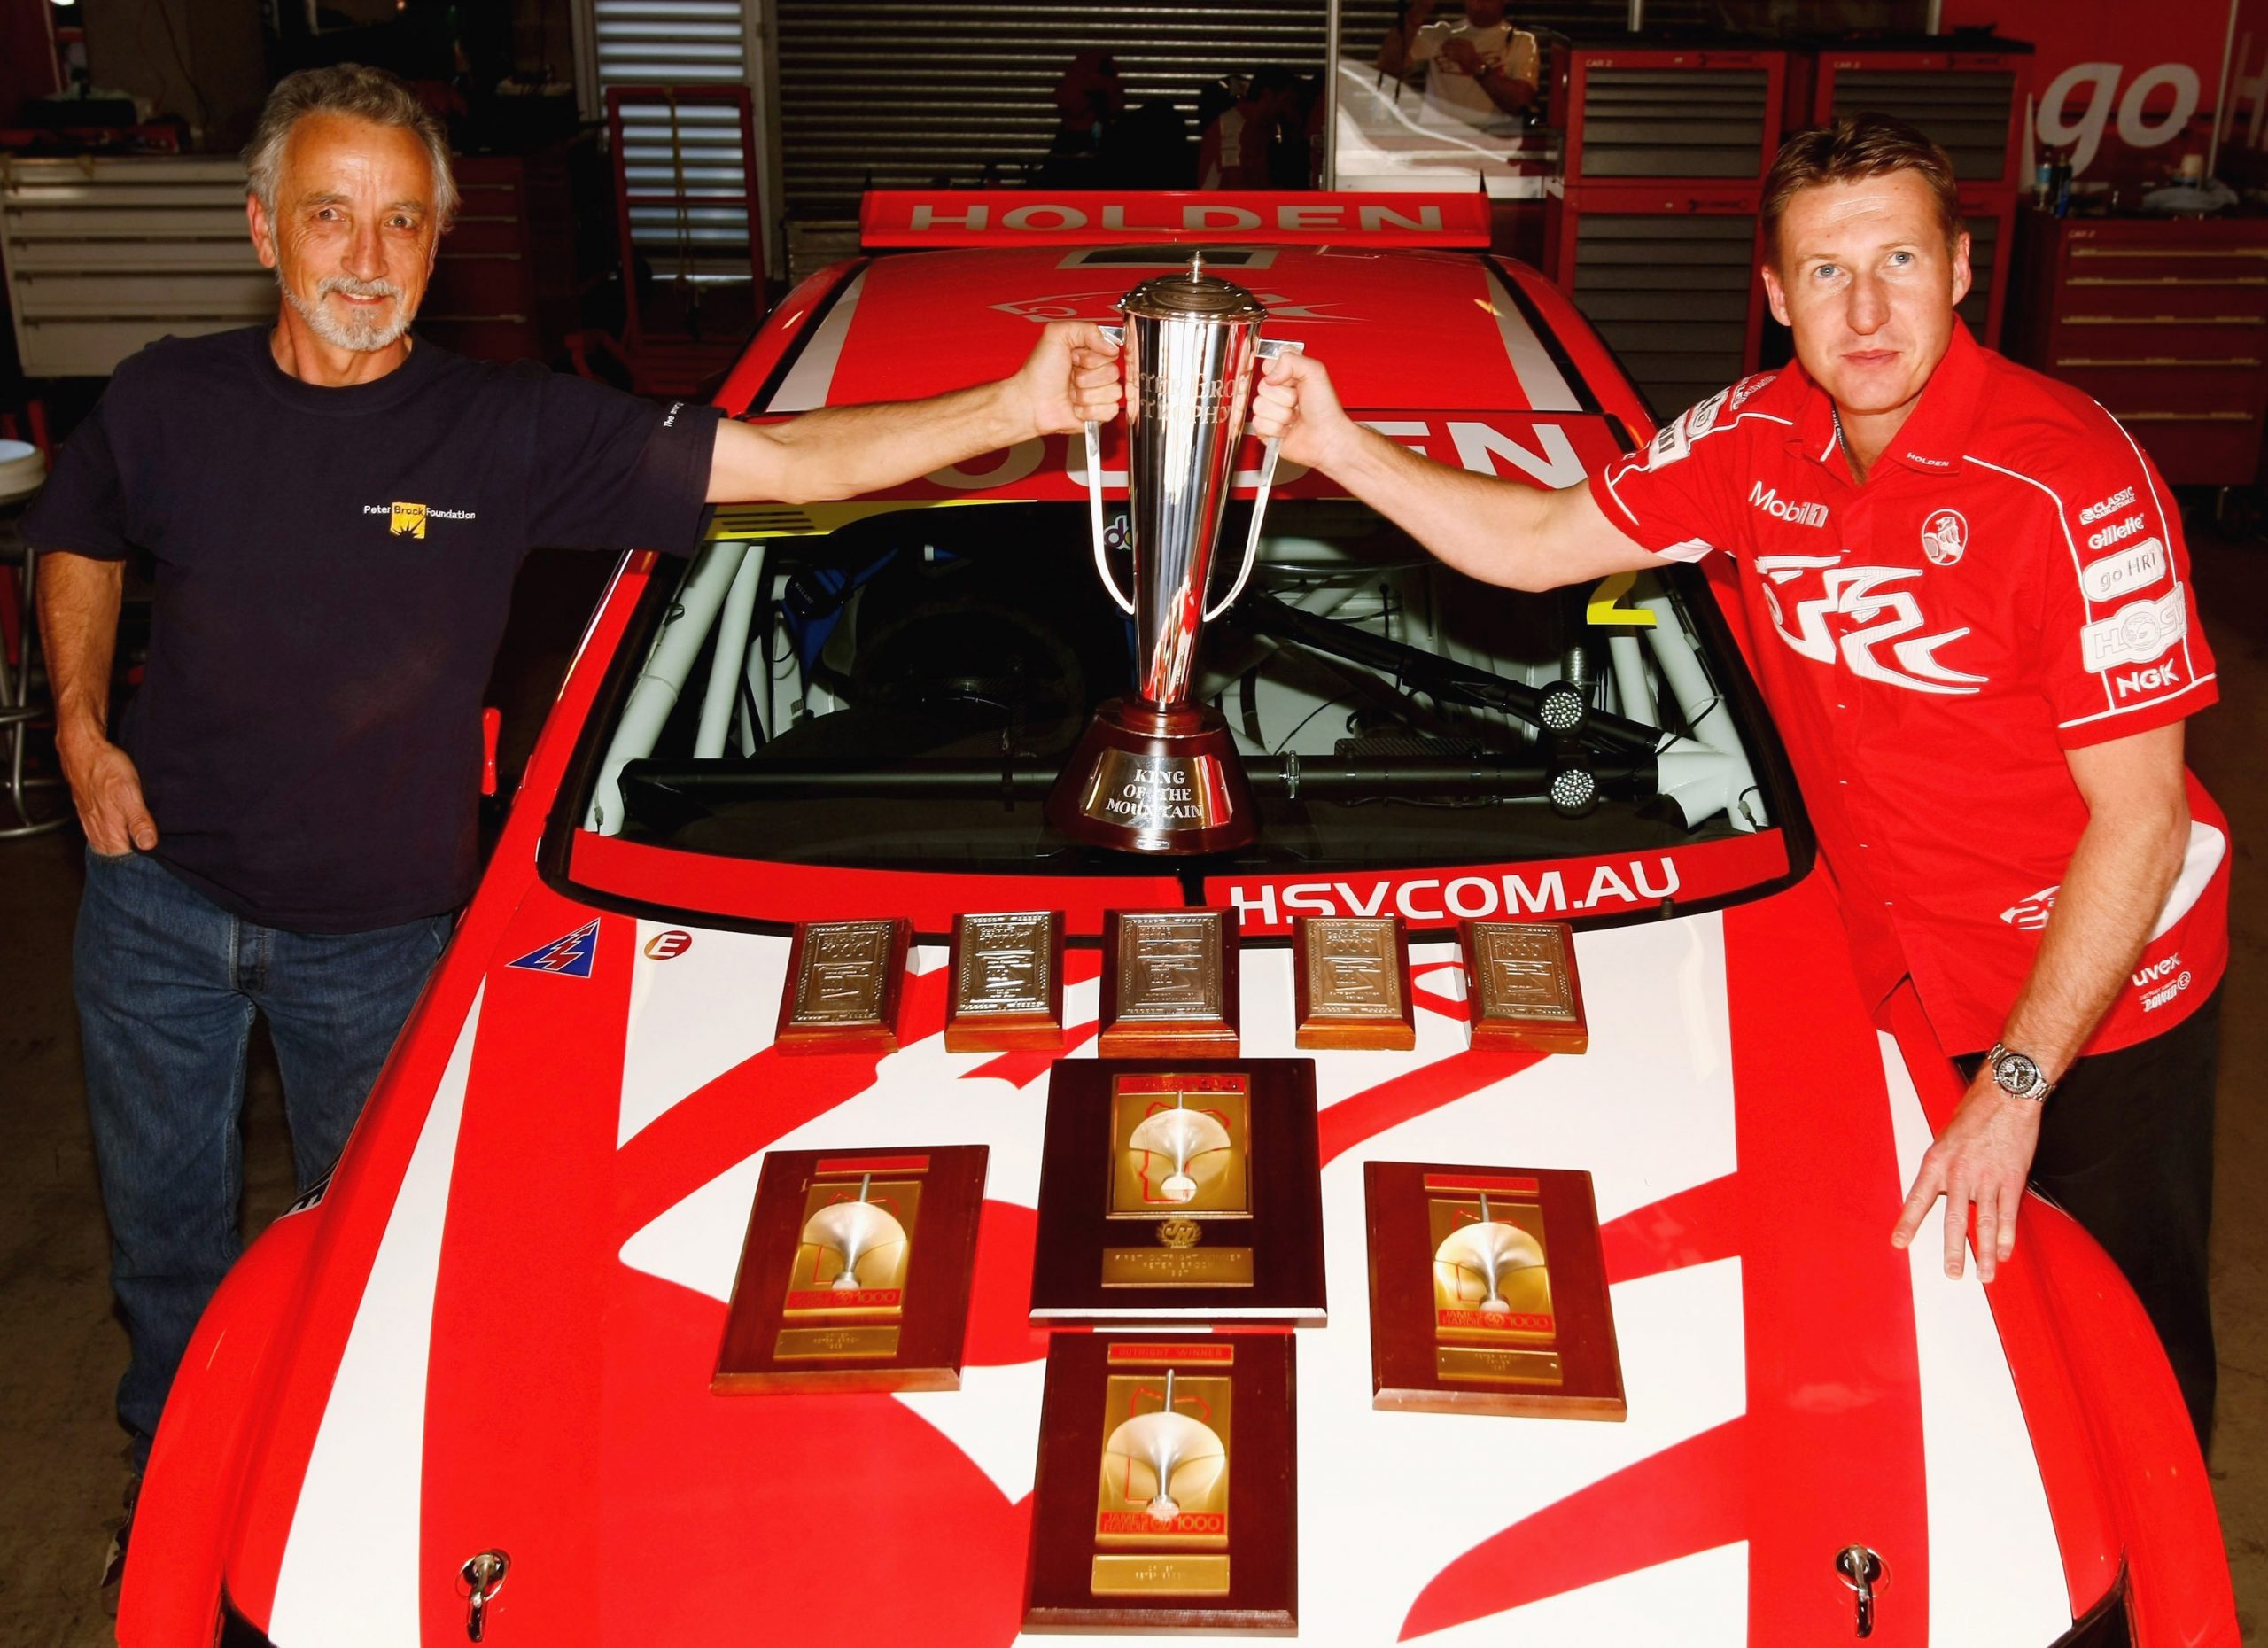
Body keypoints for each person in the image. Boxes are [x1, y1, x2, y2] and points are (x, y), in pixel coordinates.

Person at [27, 62, 1120, 1531]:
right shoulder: (169, 400)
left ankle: (328, 1517)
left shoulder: (506, 431)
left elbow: (783, 464)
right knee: (165, 1255)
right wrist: (85, 729)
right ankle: (168, 1499)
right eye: (332, 217)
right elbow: (80, 530)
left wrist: (1014, 401)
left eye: (402, 224)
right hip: (156, 910)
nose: (365, 260)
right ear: (262, 230)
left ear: (441, 242)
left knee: (368, 1256)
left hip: (378, 941)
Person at [1247, 113, 2226, 1443]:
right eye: (1826, 272)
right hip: (1881, 960)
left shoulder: (2072, 481)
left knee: (2120, 1343)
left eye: (1896, 261)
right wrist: (1339, 445)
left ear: (1958, 270)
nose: (1866, 310)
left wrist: (2014, 1090)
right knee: (1909, 1328)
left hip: (2097, 1001)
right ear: (1774, 296)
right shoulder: (1752, 440)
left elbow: (2143, 819)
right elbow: (1540, 541)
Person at [1376, 0, 1540, 135]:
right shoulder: (1441, 34)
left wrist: (1476, 65)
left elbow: (1521, 102)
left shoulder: (1520, 42)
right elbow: (1388, 68)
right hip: (1435, 142)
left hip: (1490, 146)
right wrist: (1418, 11)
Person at [1198, 67, 1300, 190]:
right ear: (1267, 95)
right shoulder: (1232, 126)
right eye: (1286, 101)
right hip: (1217, 206)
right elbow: (1234, 182)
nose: (1288, 109)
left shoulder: (1269, 129)